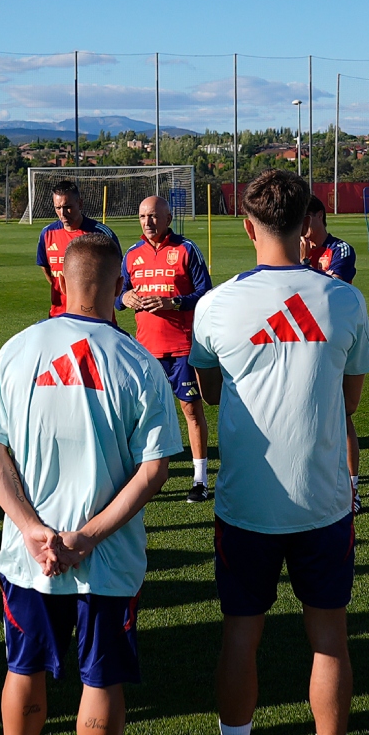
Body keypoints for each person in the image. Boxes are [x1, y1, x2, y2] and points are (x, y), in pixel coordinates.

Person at [0, 231, 178, 735]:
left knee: (25, 666)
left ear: (60, 280)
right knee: (100, 676)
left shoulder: (18, 349)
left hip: (27, 558)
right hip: (106, 560)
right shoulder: (138, 360)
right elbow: (155, 468)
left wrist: (35, 532)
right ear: (120, 287)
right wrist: (84, 539)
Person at [189, 170, 369, 735]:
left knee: (241, 638)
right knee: (329, 640)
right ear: (309, 225)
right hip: (322, 502)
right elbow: (349, 401)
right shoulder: (342, 301)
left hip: (245, 505)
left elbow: (209, 393)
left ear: (247, 227)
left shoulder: (215, 306)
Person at [120, 194, 213, 503]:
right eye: (143, 216)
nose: (148, 222)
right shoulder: (132, 254)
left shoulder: (186, 250)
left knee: (191, 410)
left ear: (168, 219)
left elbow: (206, 293)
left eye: (154, 216)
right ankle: (152, 476)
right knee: (148, 414)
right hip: (146, 350)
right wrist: (125, 299)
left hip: (183, 346)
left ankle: (200, 479)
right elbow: (117, 293)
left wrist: (174, 302)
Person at [303, 194, 363, 509]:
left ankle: (352, 490)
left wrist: (300, 266)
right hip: (302, 340)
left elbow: (333, 289)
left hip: (334, 339)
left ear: (318, 217)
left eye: (305, 218)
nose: (300, 226)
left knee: (342, 413)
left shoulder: (339, 250)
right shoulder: (294, 249)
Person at [35, 179, 117, 319]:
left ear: (80, 203)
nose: (63, 213)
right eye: (58, 208)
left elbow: (115, 273)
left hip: (95, 317)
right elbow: (47, 269)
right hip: (58, 316)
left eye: (68, 207)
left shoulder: (101, 233)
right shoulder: (47, 234)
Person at [301, 196, 356, 283]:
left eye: (306, 217)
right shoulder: (292, 249)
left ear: (320, 215)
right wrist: (324, 277)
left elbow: (332, 286)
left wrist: (304, 261)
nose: (302, 223)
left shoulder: (340, 249)